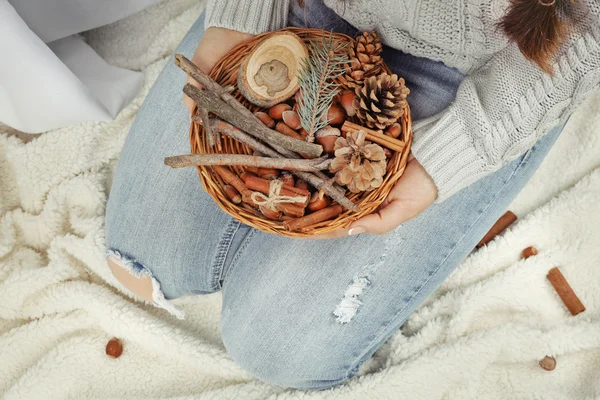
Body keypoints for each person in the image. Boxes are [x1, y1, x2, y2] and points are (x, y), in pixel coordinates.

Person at [105, 0, 599, 390]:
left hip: (487, 70)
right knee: (141, 265)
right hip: (302, 13)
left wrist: (452, 157)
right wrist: (241, 17)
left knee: (278, 351)